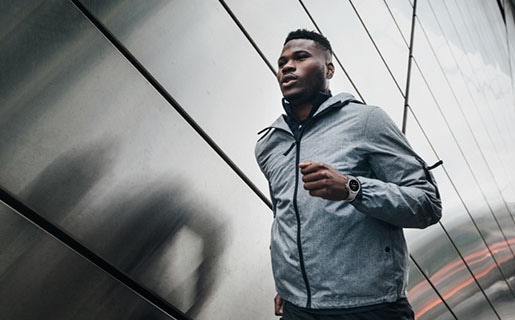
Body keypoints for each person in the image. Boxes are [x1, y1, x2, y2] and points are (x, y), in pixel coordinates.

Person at [255, 29, 442, 320]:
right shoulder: (269, 144)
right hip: (298, 310)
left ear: (329, 68)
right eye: (282, 62)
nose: (287, 66)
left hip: (369, 308)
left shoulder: (367, 121)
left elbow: (428, 204)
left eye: (301, 57)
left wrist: (352, 188)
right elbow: (286, 218)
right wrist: (289, 284)